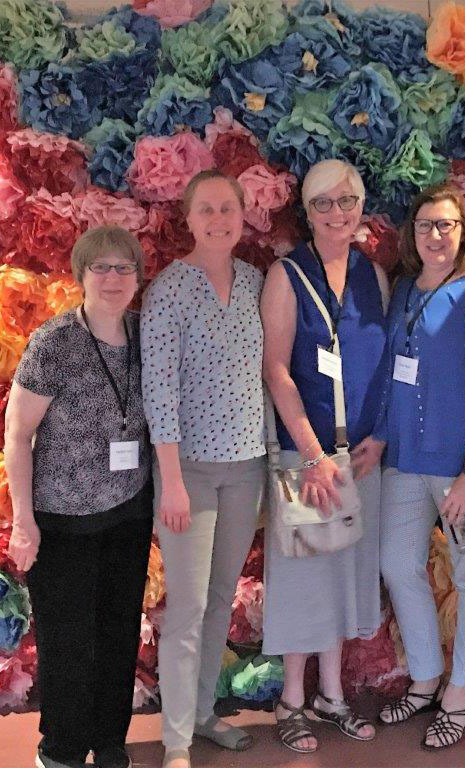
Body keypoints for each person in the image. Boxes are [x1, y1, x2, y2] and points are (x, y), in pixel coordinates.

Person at [5, 226, 152, 768]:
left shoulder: (145, 335)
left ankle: (110, 742)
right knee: (68, 643)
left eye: (124, 268)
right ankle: (62, 748)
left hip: (127, 516)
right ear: (81, 274)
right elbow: (17, 435)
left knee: (117, 635)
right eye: (101, 267)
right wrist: (24, 523)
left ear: (138, 277)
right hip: (62, 521)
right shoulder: (55, 341)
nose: (113, 278)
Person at [260, 158, 389, 754]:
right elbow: (276, 369)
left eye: (348, 200)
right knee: (304, 575)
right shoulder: (287, 275)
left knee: (344, 575)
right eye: (324, 203)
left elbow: (386, 368)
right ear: (306, 213)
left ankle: (331, 696)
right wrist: (312, 455)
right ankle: (292, 698)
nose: (339, 213)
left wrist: (379, 437)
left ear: (362, 206)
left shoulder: (374, 276)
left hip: (360, 460)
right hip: (307, 459)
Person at [140, 170, 265, 768]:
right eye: (207, 210)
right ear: (188, 220)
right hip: (189, 472)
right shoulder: (169, 291)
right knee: (188, 607)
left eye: (228, 208)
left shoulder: (255, 283)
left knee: (219, 599)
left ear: (243, 215)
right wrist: (172, 482)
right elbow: (157, 394)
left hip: (247, 469)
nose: (219, 219)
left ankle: (204, 713)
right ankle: (176, 741)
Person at [377, 185, 465, 749]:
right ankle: (426, 676)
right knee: (396, 563)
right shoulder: (405, 290)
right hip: (405, 460)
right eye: (427, 224)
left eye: (447, 225)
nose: (436, 235)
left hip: (460, 466)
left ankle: (459, 693)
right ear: (414, 232)